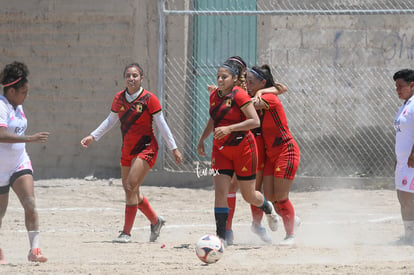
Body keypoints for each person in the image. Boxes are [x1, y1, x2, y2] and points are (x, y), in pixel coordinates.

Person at [81, 63, 182, 243]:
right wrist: (93, 136)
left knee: (131, 185)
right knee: (131, 191)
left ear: (141, 78)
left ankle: (126, 233)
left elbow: (162, 125)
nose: (131, 78)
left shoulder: (150, 99)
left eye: (135, 75)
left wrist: (173, 148)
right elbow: (110, 120)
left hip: (147, 147)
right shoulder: (119, 98)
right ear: (124, 78)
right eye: (128, 75)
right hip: (127, 149)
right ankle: (156, 221)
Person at [197, 61, 279, 246]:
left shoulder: (239, 95)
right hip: (221, 150)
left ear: (234, 79)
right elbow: (214, 118)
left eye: (224, 77)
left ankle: (267, 207)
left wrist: (230, 128)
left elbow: (254, 121)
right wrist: (202, 139)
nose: (219, 80)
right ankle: (221, 238)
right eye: (218, 76)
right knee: (220, 192)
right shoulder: (214, 96)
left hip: (244, 149)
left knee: (249, 195)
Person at [0, 61, 49, 263]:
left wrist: (26, 143)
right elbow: (1, 134)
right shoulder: (1, 106)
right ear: (11, 91)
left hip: (19, 162)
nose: (26, 96)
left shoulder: (18, 107)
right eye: (23, 92)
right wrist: (29, 138)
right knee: (0, 213)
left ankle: (34, 250)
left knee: (30, 204)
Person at [246, 64, 300, 246]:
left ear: (262, 83)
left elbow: (251, 104)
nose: (247, 85)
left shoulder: (270, 98)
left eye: (251, 82)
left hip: (286, 150)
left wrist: (259, 93)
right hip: (271, 155)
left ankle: (291, 235)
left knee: (281, 196)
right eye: (246, 81)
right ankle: (292, 218)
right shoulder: (262, 93)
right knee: (270, 198)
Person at [393, 69, 414, 245]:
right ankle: (409, 236)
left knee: (409, 197)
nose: (398, 90)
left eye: (401, 87)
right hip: (402, 161)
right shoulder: (405, 104)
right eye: (396, 87)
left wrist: (413, 154)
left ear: (412, 85)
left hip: (412, 161)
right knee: (402, 197)